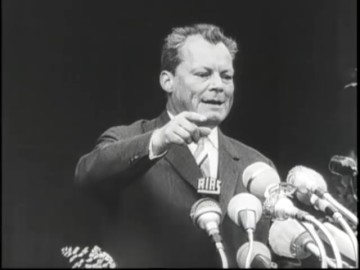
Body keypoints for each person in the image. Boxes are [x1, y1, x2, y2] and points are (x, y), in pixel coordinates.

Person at [75, 23, 276, 268]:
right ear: (167, 81)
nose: (219, 86)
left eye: (226, 76)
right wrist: (158, 140)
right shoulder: (130, 139)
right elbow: (87, 175)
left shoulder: (256, 165)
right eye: (203, 74)